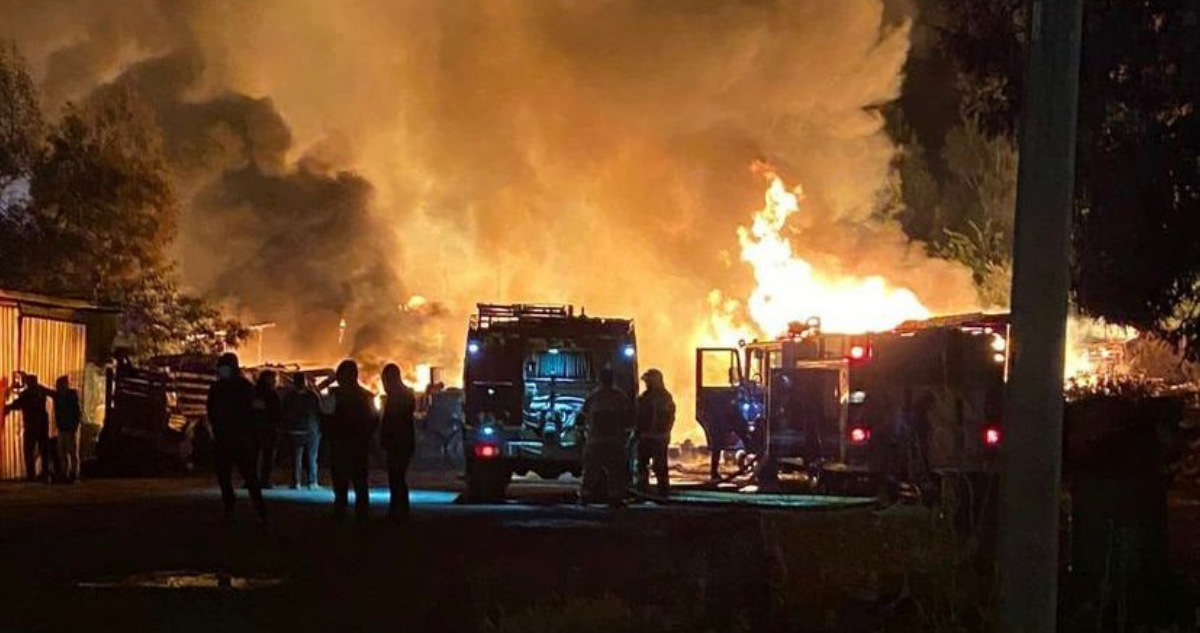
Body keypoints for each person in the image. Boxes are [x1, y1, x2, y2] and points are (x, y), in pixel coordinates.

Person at [206, 353, 266, 522]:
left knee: (249, 476)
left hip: (242, 439)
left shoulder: (245, 387)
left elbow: (254, 412)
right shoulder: (217, 388)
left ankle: (260, 510)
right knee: (223, 475)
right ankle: (230, 506)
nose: (223, 371)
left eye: (226, 368)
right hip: (224, 438)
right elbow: (211, 411)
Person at [323, 360, 377, 522]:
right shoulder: (367, 396)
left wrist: (331, 437)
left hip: (340, 447)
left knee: (341, 487)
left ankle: (340, 516)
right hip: (359, 447)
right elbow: (374, 419)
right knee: (361, 485)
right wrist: (365, 437)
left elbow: (325, 418)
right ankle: (362, 517)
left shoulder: (334, 396)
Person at [579, 367, 633, 506]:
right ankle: (615, 497)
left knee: (591, 470)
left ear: (600, 379)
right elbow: (627, 418)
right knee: (615, 471)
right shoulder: (619, 397)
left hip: (595, 442)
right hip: (614, 442)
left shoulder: (593, 397)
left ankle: (585, 496)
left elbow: (583, 415)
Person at [379, 363, 417, 520]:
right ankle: (400, 510)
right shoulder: (405, 394)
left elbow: (392, 421)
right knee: (397, 477)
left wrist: (384, 437)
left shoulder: (397, 397)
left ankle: (398, 511)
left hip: (398, 442)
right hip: (403, 442)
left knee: (396, 478)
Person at [3, 373, 52, 482]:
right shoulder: (41, 389)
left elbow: (17, 404)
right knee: (44, 449)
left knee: (29, 449)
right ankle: (45, 473)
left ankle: (31, 475)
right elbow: (54, 394)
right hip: (43, 424)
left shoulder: (28, 393)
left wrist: (7, 408)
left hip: (31, 425)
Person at [635, 368, 675, 497]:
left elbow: (665, 417)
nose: (646, 383)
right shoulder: (662, 397)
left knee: (655, 465)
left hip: (654, 437)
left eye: (648, 381)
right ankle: (652, 490)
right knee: (645, 465)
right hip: (653, 437)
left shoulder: (657, 398)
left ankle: (657, 491)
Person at [281, 373, 322, 489]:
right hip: (311, 431)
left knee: (296, 459)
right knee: (312, 457)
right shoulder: (312, 396)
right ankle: (312, 482)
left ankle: (296, 482)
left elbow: (284, 413)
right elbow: (319, 411)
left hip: (294, 431)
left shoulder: (289, 397)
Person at [252, 370, 282, 488]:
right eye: (274, 379)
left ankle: (252, 480)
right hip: (268, 429)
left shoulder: (253, 392)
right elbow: (276, 411)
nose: (275, 382)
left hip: (254, 429)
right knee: (267, 456)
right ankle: (264, 480)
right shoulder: (270, 394)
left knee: (253, 456)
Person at [52, 376, 83, 483]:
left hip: (69, 428)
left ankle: (73, 473)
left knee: (71, 452)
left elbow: (77, 412)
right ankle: (65, 472)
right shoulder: (59, 395)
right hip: (62, 427)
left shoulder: (70, 395)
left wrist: (74, 426)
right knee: (62, 452)